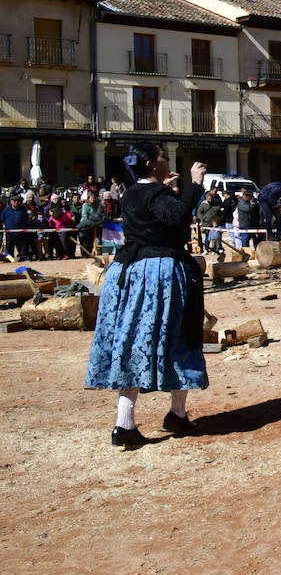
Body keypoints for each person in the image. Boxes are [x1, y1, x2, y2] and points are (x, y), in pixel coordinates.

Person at [85, 143, 210, 448]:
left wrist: (166, 190)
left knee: (132, 340)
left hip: (130, 269)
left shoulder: (131, 192)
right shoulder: (154, 194)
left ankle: (130, 420)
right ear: (153, 164)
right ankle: (169, 415)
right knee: (180, 337)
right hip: (158, 274)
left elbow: (159, 211)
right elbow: (178, 217)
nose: (168, 160)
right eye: (163, 157)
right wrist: (194, 186)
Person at [76, 189, 105, 256]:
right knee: (84, 241)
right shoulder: (85, 205)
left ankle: (89, 254)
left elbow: (98, 215)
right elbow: (84, 216)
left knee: (91, 241)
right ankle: (84, 254)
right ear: (88, 198)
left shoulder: (96, 205)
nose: (93, 199)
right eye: (91, 198)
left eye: (94, 197)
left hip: (93, 225)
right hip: (85, 225)